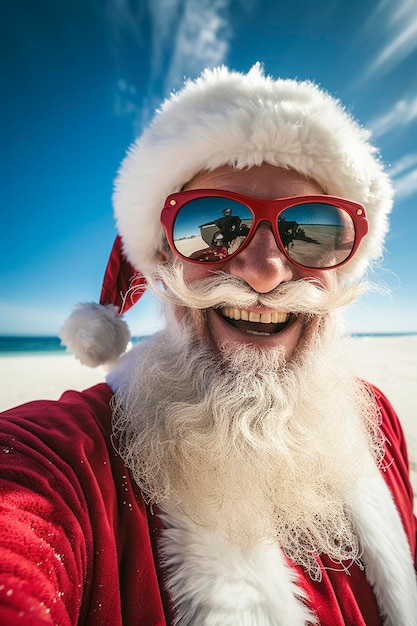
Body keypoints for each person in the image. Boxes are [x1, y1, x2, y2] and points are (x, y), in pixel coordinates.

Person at [0, 64, 416, 626]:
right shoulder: (66, 461)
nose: (266, 272)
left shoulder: (377, 423)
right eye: (212, 228)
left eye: (311, 230)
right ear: (162, 263)